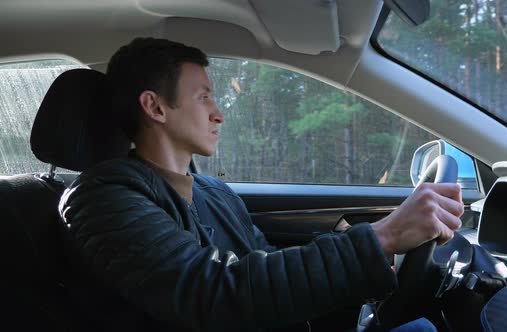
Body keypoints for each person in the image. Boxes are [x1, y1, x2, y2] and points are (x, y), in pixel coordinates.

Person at [59, 37, 463, 332]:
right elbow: (212, 293)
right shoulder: (102, 201)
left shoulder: (212, 191)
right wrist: (382, 237)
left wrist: (385, 259)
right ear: (155, 106)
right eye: (203, 98)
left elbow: (264, 263)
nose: (219, 114)